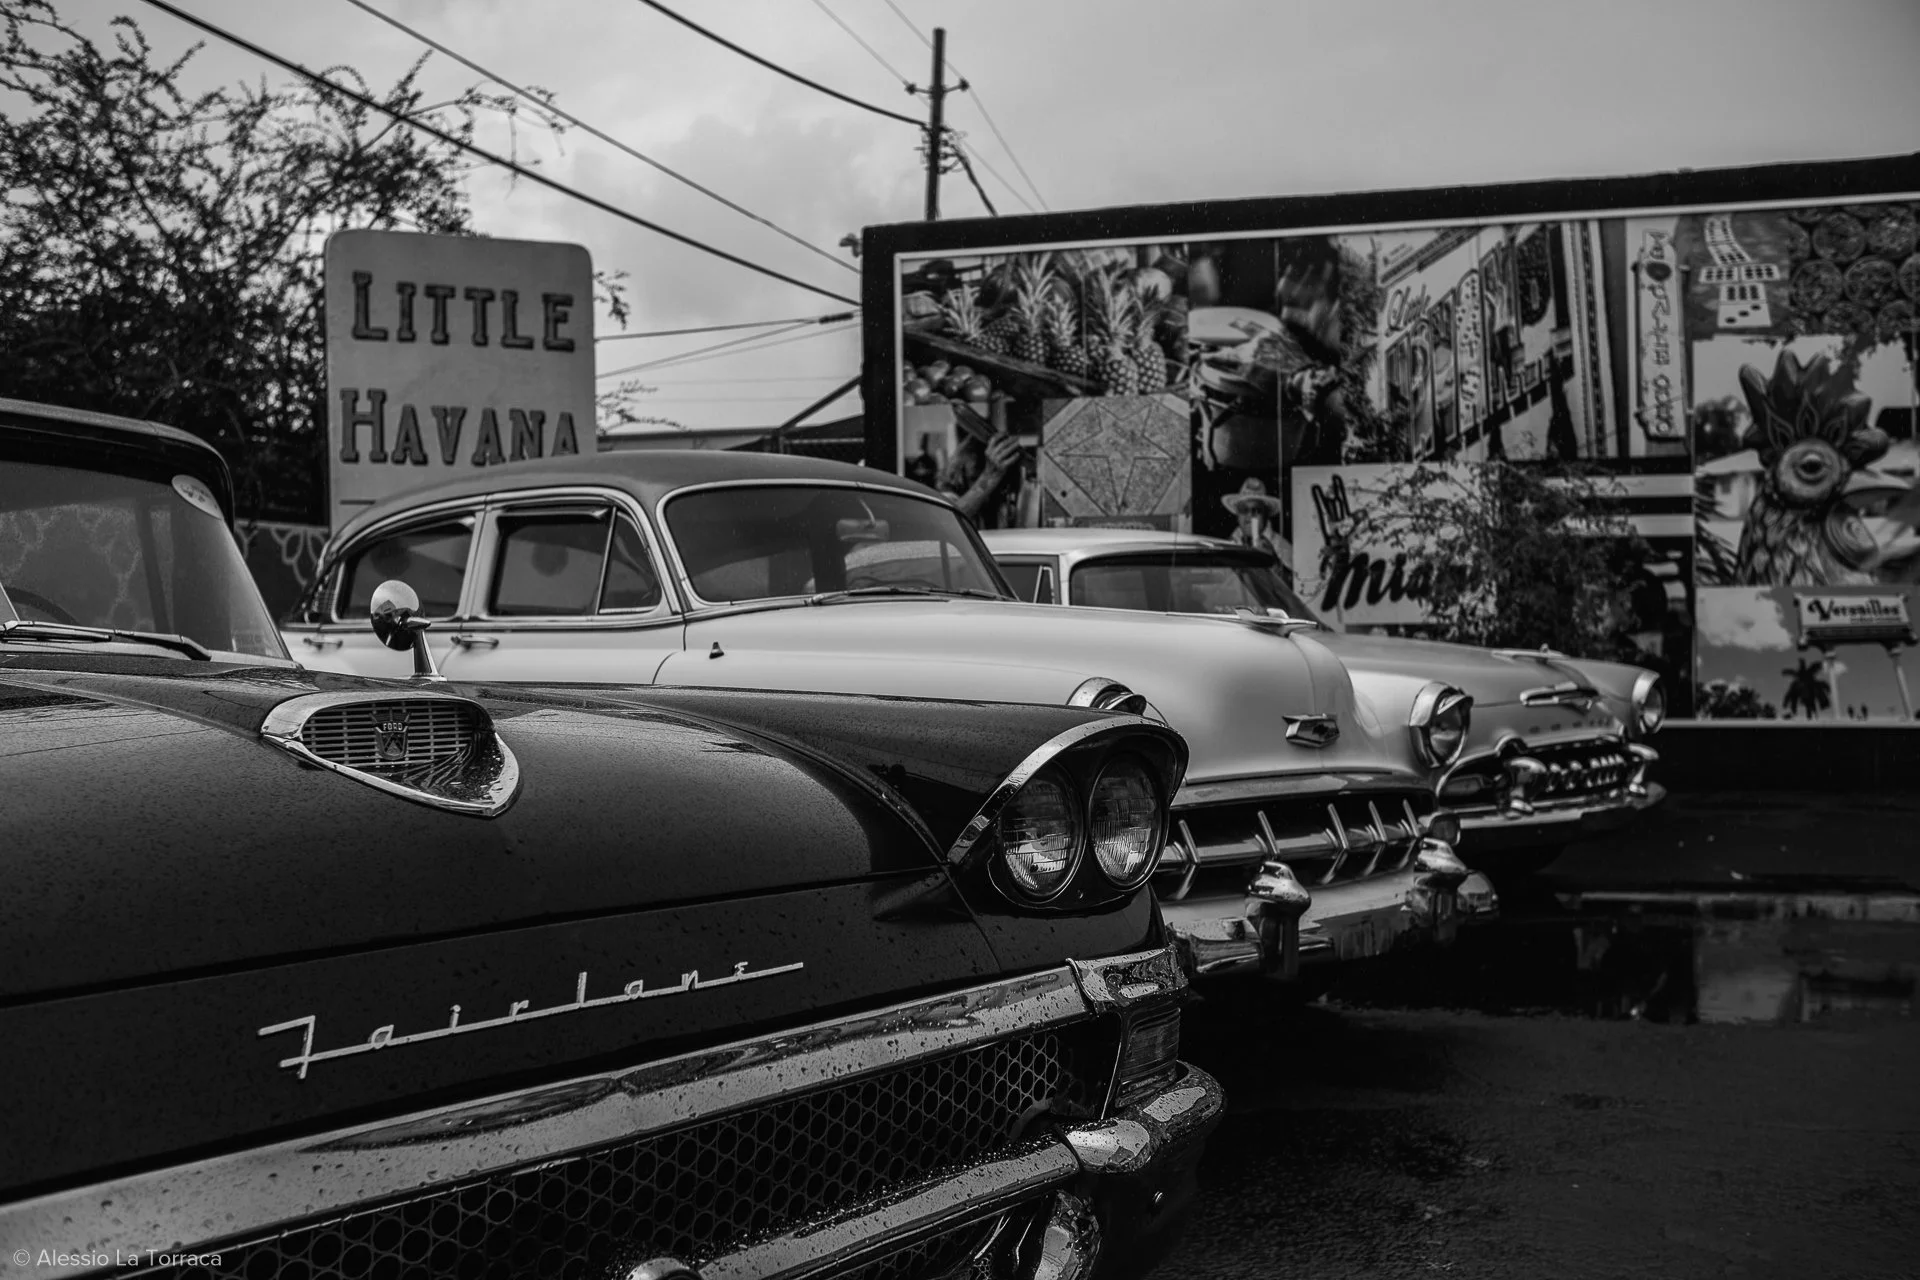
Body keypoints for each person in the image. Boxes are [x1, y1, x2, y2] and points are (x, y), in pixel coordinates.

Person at [1222, 476, 1295, 586]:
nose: (1250, 515)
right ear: (1237, 514)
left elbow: (1296, 589)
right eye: (1243, 509)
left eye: (1256, 510)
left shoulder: (1282, 547)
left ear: (1266, 514)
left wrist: (1274, 563)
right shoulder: (1227, 546)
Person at [941, 431, 1025, 527]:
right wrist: (989, 476)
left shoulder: (1001, 503)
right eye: (974, 479)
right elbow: (946, 520)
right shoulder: (948, 493)